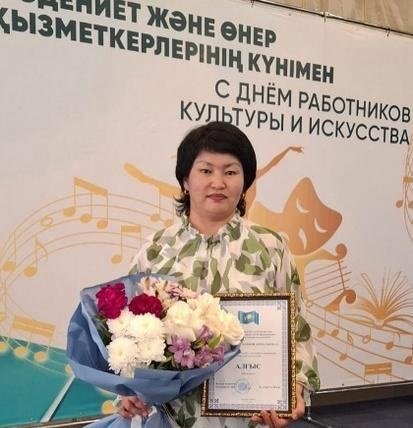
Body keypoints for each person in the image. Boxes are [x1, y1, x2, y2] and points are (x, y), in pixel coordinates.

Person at [120, 121, 320, 427]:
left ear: (245, 181)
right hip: (172, 417)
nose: (218, 182)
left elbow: (297, 328)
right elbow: (127, 331)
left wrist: (295, 389)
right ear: (185, 180)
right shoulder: (156, 250)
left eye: (230, 172)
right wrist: (128, 389)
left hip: (249, 417)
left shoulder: (270, 248)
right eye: (205, 170)